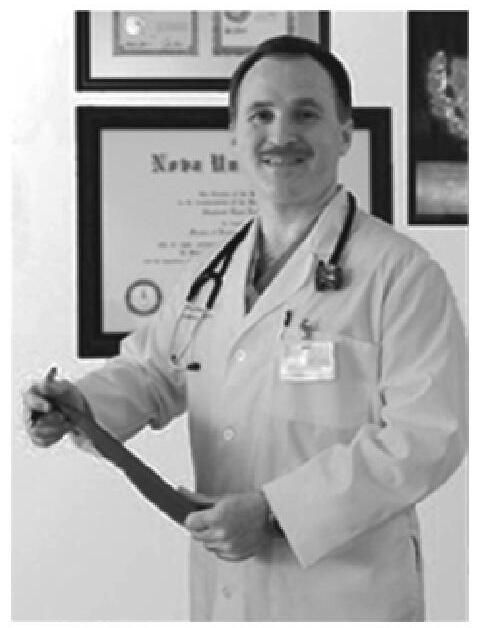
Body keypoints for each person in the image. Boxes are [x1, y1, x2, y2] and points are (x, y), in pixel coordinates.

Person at [23, 35, 467, 621]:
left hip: (348, 596)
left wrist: (276, 512)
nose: (281, 134)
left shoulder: (401, 275)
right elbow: (153, 372)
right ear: (233, 135)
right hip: (228, 592)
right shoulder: (209, 276)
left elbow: (426, 439)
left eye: (306, 113)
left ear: (344, 133)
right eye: (260, 115)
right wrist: (81, 404)